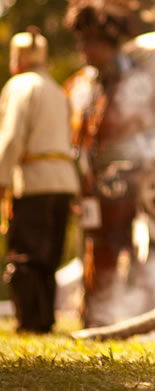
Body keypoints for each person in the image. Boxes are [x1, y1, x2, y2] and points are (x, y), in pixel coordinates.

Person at [65, 0, 155, 328]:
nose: (81, 50)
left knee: (142, 253)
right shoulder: (82, 85)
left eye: (86, 43)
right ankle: (97, 316)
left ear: (104, 44)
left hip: (138, 183)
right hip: (95, 187)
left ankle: (145, 318)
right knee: (98, 249)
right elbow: (76, 136)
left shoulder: (142, 81)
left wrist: (153, 156)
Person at [0, 28, 80, 333]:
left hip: (33, 183)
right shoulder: (56, 90)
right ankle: (44, 320)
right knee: (48, 257)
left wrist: (2, 178)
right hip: (62, 183)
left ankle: (31, 323)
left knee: (26, 255)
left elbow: (11, 138)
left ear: (18, 58)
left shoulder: (20, 86)